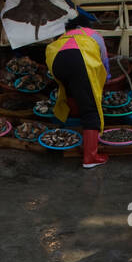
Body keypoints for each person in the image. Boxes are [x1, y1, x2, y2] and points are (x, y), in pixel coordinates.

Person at [44, 19, 110, 168]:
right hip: (79, 60)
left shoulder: (64, 37)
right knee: (90, 108)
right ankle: (90, 158)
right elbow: (104, 63)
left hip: (56, 62)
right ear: (85, 26)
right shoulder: (94, 35)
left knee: (71, 91)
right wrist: (105, 81)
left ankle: (73, 122)